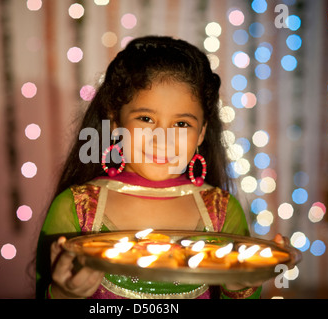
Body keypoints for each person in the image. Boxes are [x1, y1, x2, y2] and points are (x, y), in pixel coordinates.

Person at [36, 35, 284, 299]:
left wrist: (241, 286)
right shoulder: (74, 209)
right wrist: (65, 292)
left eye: (181, 124)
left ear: (202, 133)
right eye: (146, 118)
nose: (163, 140)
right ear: (115, 122)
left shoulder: (223, 212)